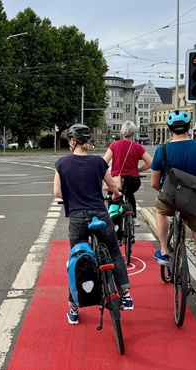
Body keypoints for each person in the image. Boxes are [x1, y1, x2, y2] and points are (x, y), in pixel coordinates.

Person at [54, 123, 134, 325]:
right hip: (100, 214)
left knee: (77, 259)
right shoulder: (98, 162)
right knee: (114, 251)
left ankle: (73, 309)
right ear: (87, 142)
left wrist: (72, 197)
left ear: (72, 142)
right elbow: (112, 185)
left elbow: (57, 192)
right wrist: (116, 195)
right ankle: (125, 294)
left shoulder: (62, 164)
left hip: (78, 217)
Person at [150, 110, 196, 303]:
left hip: (170, 201)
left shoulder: (161, 151)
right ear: (189, 128)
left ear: (169, 129)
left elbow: (154, 183)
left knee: (159, 209)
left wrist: (164, 193)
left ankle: (164, 250)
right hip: (194, 203)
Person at [103, 120, 152, 227]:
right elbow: (150, 163)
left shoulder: (114, 145)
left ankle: (113, 221)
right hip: (133, 180)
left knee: (114, 196)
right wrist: (137, 170)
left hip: (117, 179)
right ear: (133, 134)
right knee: (129, 194)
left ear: (122, 133)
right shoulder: (138, 147)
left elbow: (104, 162)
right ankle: (133, 218)